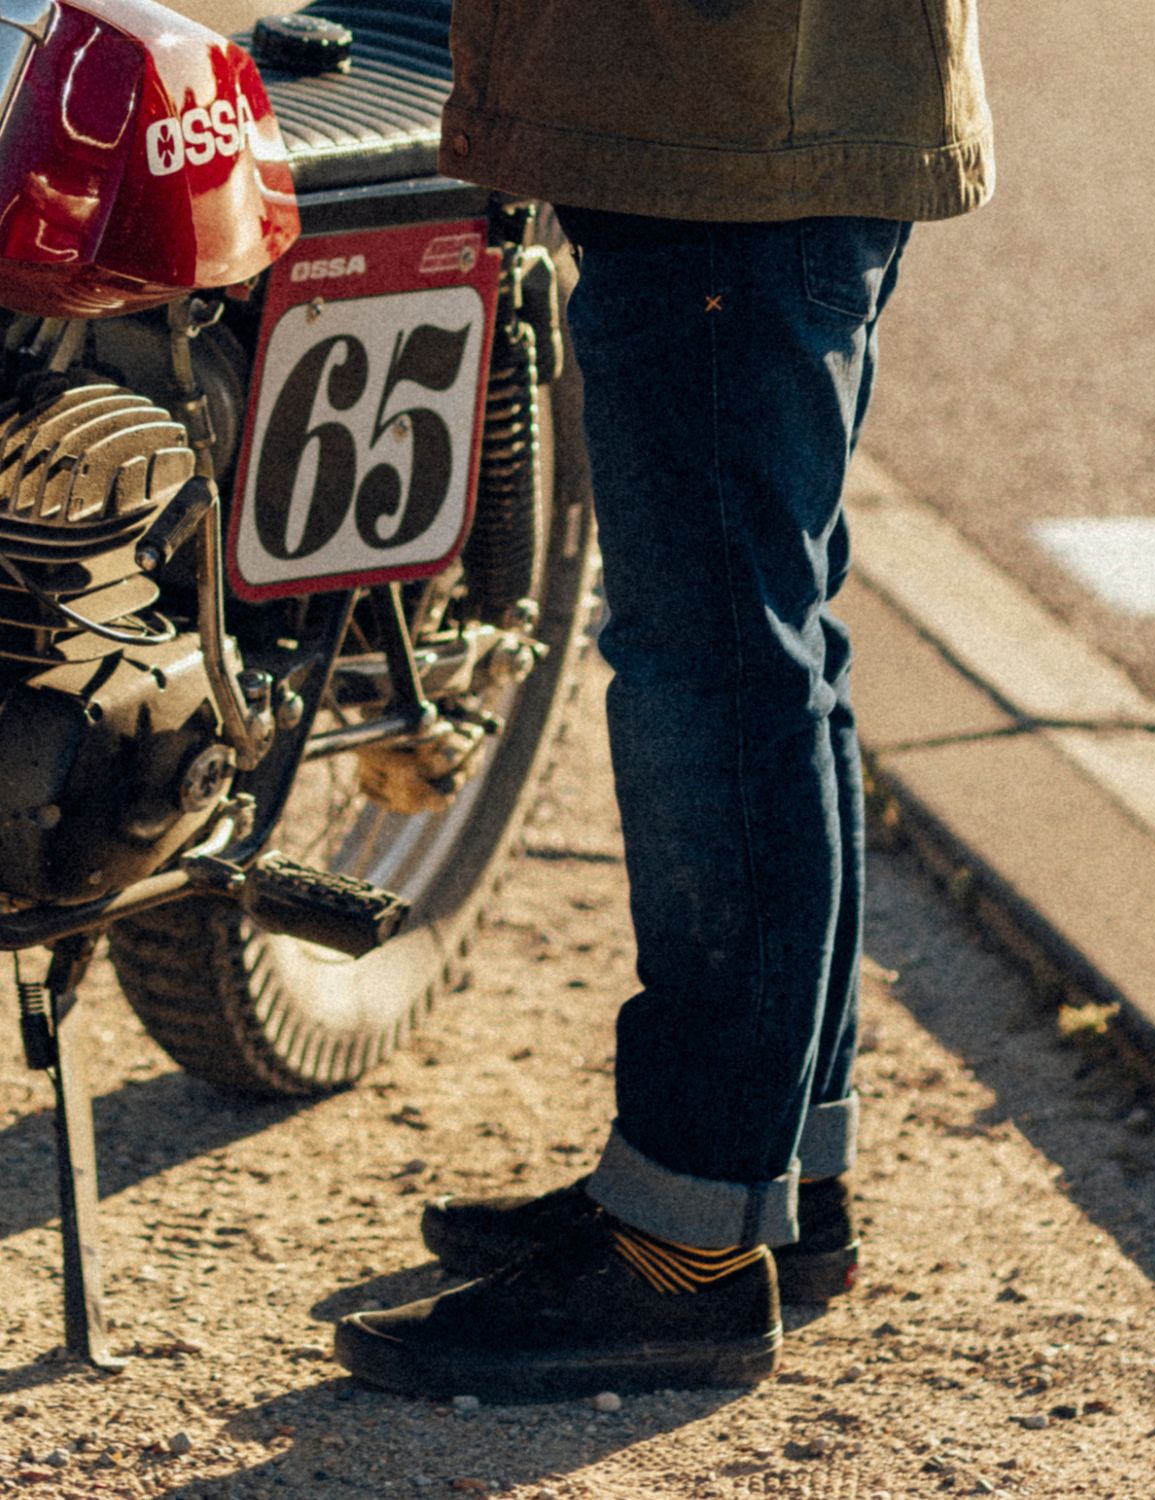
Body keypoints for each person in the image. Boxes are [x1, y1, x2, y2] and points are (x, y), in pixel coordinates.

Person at [334, 1, 994, 1402]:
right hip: (755, 124)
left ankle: (685, 1248)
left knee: (714, 671)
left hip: (728, 129)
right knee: (769, 652)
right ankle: (769, 1190)